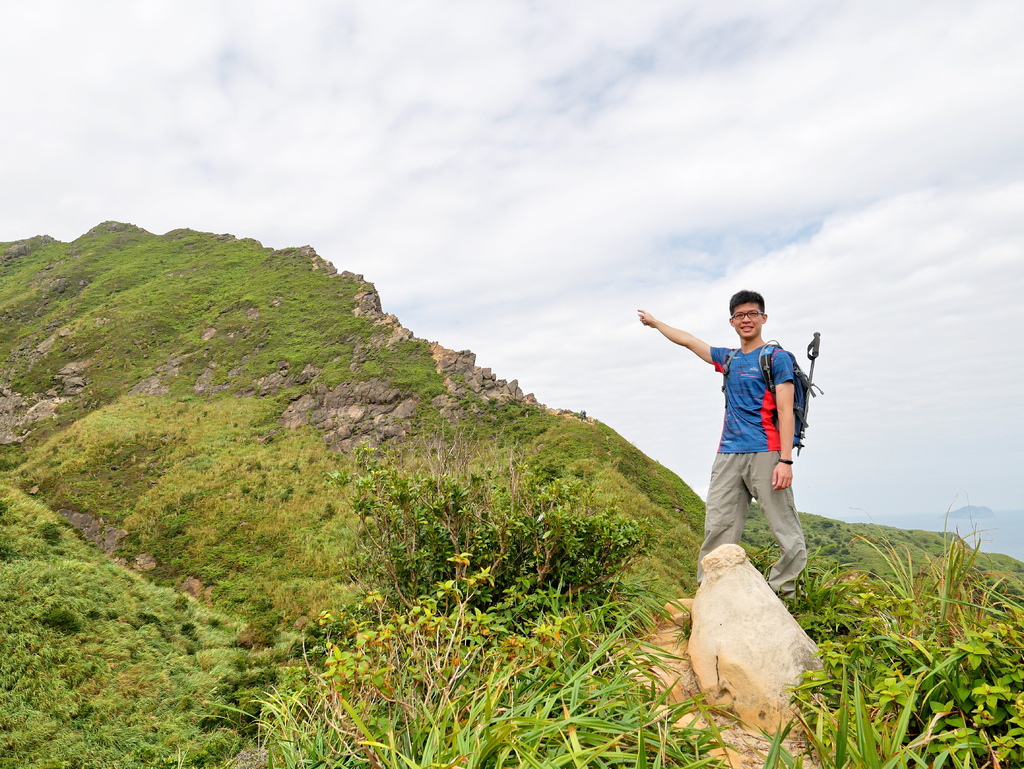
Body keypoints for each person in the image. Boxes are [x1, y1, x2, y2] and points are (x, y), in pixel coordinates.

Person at [637, 290, 806, 597]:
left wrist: (786, 461)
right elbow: (688, 340)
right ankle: (713, 594)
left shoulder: (776, 359)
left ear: (763, 318)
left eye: (752, 314)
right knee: (718, 527)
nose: (746, 320)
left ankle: (783, 593)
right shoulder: (728, 358)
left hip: (767, 452)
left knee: (785, 529)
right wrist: (655, 322)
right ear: (732, 321)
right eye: (740, 315)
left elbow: (785, 410)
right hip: (728, 454)